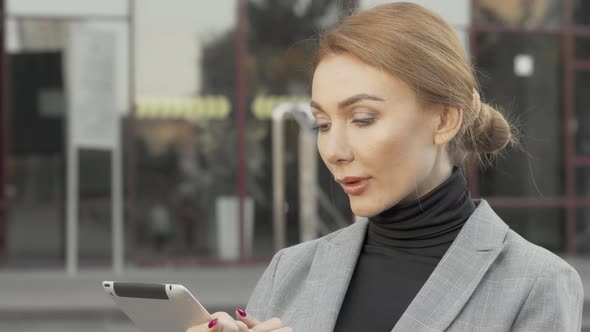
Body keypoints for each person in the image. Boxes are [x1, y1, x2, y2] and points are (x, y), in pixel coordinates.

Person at [188, 2, 584, 331]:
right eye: (322, 124)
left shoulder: (536, 283)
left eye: (362, 118)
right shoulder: (290, 270)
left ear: (444, 120)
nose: (334, 150)